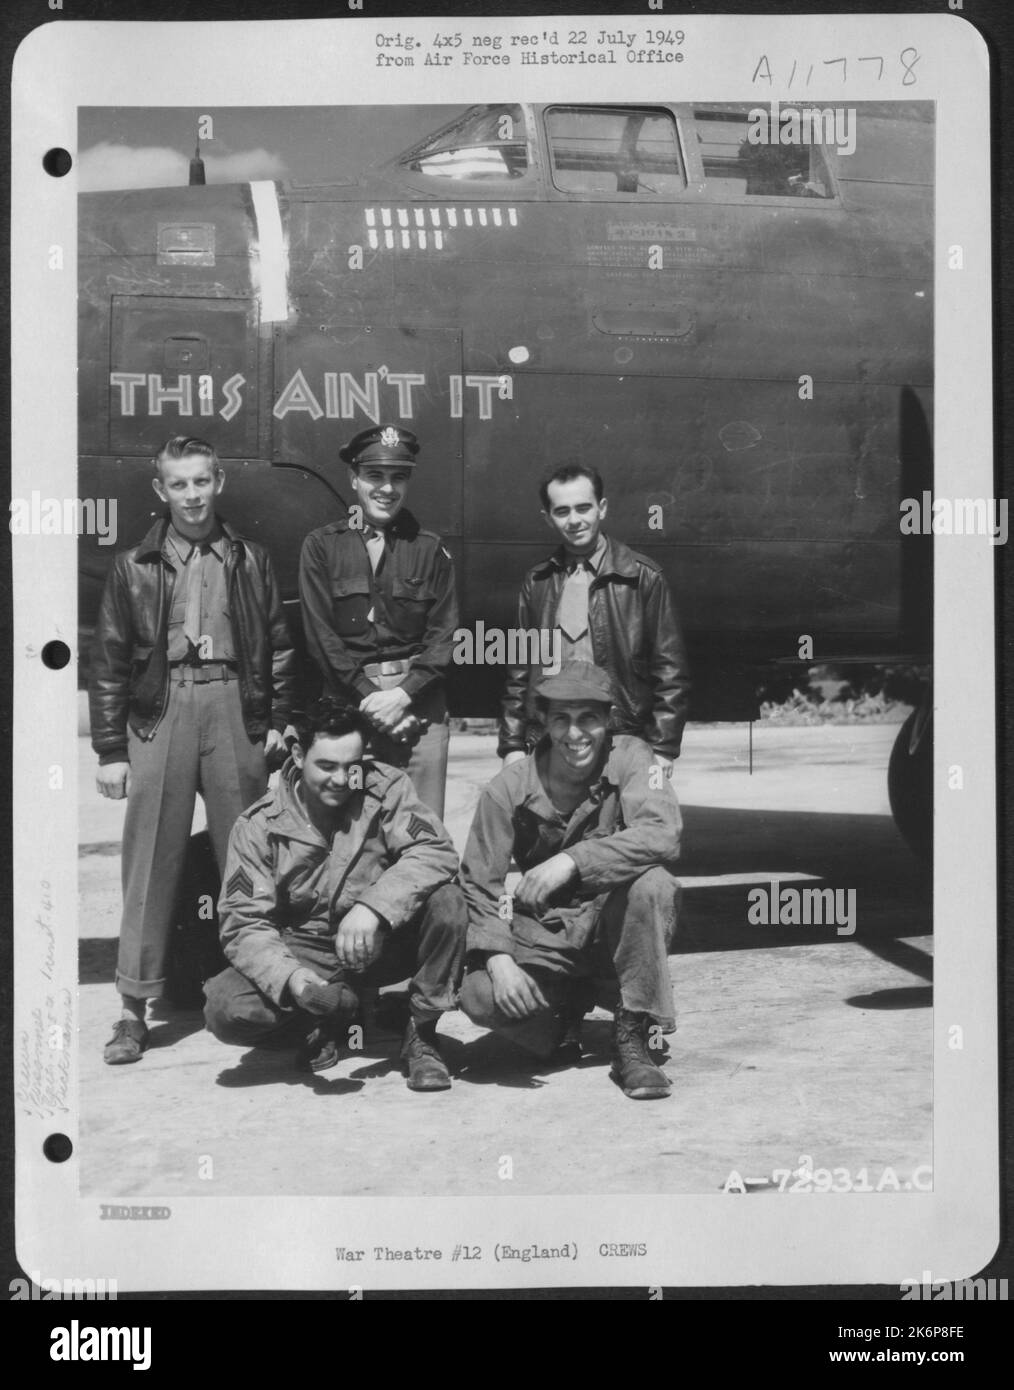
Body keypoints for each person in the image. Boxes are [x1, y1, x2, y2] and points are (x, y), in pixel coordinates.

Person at [89, 435, 294, 1065]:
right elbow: (110, 660)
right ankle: (133, 1008)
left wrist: (279, 718)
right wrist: (109, 749)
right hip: (163, 713)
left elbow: (279, 644)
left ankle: (266, 990)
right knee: (150, 858)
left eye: (201, 482)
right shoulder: (134, 565)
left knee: (252, 858)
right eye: (179, 484)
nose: (192, 496)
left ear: (218, 482)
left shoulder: (251, 559)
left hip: (234, 706)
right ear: (161, 491)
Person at [203, 698, 466, 1091]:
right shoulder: (257, 825)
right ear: (297, 754)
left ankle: (421, 1033)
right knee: (226, 1009)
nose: (342, 780)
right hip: (306, 950)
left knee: (449, 903)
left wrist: (374, 907)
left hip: (379, 942)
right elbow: (243, 921)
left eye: (352, 766)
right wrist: (292, 979)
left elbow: (435, 850)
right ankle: (320, 1020)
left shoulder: (386, 787)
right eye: (326, 766)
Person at [461, 661, 682, 1099]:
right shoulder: (506, 788)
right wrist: (498, 959)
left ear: (608, 721)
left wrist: (571, 861)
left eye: (589, 719)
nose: (575, 734)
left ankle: (632, 1035)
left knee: (653, 883)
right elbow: (478, 883)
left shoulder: (635, 757)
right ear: (542, 720)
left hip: (613, 929)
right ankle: (560, 1017)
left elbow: (663, 832)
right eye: (561, 718)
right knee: (480, 995)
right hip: (549, 931)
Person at [298, 425, 458, 819]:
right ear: (354, 479)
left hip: (418, 708)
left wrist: (402, 697)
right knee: (350, 827)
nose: (387, 488)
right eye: (375, 476)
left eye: (398, 477)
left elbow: (445, 636)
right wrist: (371, 700)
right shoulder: (321, 546)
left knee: (420, 830)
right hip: (349, 707)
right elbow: (322, 638)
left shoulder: (431, 550)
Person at [498, 462, 690, 781]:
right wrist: (513, 745)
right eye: (562, 511)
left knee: (622, 831)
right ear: (547, 518)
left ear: (601, 508)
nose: (574, 520)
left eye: (583, 508)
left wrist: (663, 748)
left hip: (623, 740)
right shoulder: (536, 583)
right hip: (551, 740)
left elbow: (670, 671)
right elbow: (518, 672)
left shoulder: (643, 577)